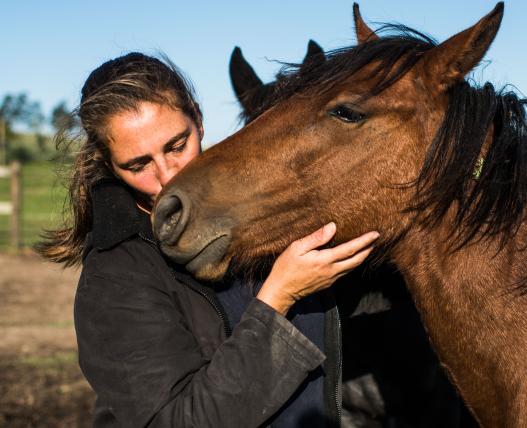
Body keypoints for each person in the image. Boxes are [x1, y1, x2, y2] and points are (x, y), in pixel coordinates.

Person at [36, 52, 380, 427]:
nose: (168, 177)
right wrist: (279, 295)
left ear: (198, 120)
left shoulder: (261, 219)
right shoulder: (116, 277)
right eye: (138, 165)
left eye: (177, 145)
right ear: (108, 163)